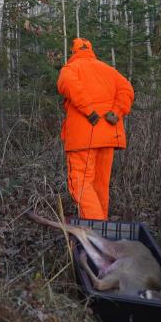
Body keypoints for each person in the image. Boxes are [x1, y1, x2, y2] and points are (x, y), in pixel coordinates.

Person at [56, 37, 134, 220]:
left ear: (74, 52)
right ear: (91, 50)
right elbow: (127, 90)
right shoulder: (109, 70)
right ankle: (103, 230)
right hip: (108, 136)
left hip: (83, 137)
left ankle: (96, 231)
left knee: (80, 183)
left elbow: (67, 84)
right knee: (100, 185)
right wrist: (117, 112)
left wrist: (89, 110)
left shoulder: (70, 69)